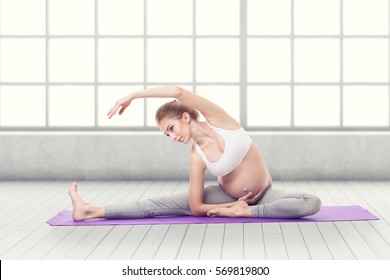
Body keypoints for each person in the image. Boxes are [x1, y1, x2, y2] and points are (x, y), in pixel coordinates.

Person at [69, 86, 321, 221]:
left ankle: (248, 213)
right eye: (166, 135)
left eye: (171, 128)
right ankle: (90, 210)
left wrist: (135, 95)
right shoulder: (196, 157)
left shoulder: (220, 120)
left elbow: (179, 92)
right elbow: (196, 206)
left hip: (264, 195)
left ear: (186, 117)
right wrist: (232, 205)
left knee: (310, 203)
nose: (172, 136)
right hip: (225, 197)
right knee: (158, 205)